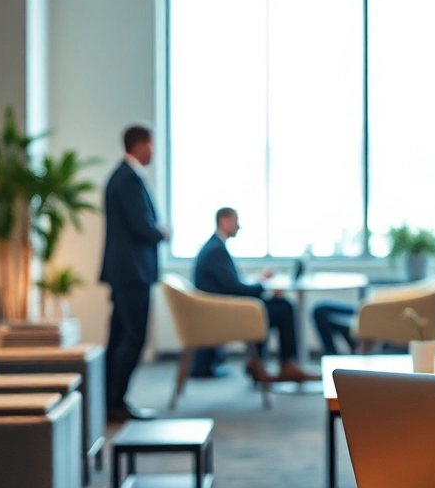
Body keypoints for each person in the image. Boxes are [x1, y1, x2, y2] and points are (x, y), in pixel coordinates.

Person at [192, 208, 311, 383]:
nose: (239, 226)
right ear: (224, 221)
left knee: (273, 304)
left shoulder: (215, 247)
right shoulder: (216, 250)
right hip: (223, 314)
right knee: (283, 307)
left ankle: (259, 362)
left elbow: (230, 285)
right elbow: (234, 288)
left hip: (222, 308)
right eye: (235, 221)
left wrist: (260, 284)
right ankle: (284, 365)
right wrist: (264, 288)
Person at [100, 125, 168, 423]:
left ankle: (111, 400)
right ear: (139, 145)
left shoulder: (123, 176)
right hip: (132, 273)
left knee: (119, 337)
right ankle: (114, 402)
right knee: (132, 337)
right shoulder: (128, 179)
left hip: (126, 272)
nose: (153, 150)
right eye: (151, 144)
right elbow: (142, 227)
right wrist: (161, 233)